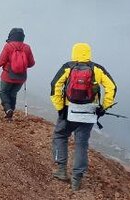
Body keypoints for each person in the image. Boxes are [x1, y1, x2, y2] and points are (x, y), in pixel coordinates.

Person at [48, 43, 117, 191]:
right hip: (88, 113)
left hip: (68, 111)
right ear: (89, 53)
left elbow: (55, 86)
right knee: (81, 144)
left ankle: (61, 170)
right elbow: (112, 87)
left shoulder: (68, 67)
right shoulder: (97, 69)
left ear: (74, 52)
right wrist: (103, 107)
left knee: (60, 136)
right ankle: (76, 179)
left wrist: (60, 108)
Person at [0, 27, 35, 119]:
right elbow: (31, 63)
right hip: (21, 77)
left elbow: (1, 61)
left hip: (7, 76)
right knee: (13, 94)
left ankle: (8, 109)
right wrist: (22, 65)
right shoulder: (27, 47)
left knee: (3, 92)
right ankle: (10, 114)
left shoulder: (8, 46)